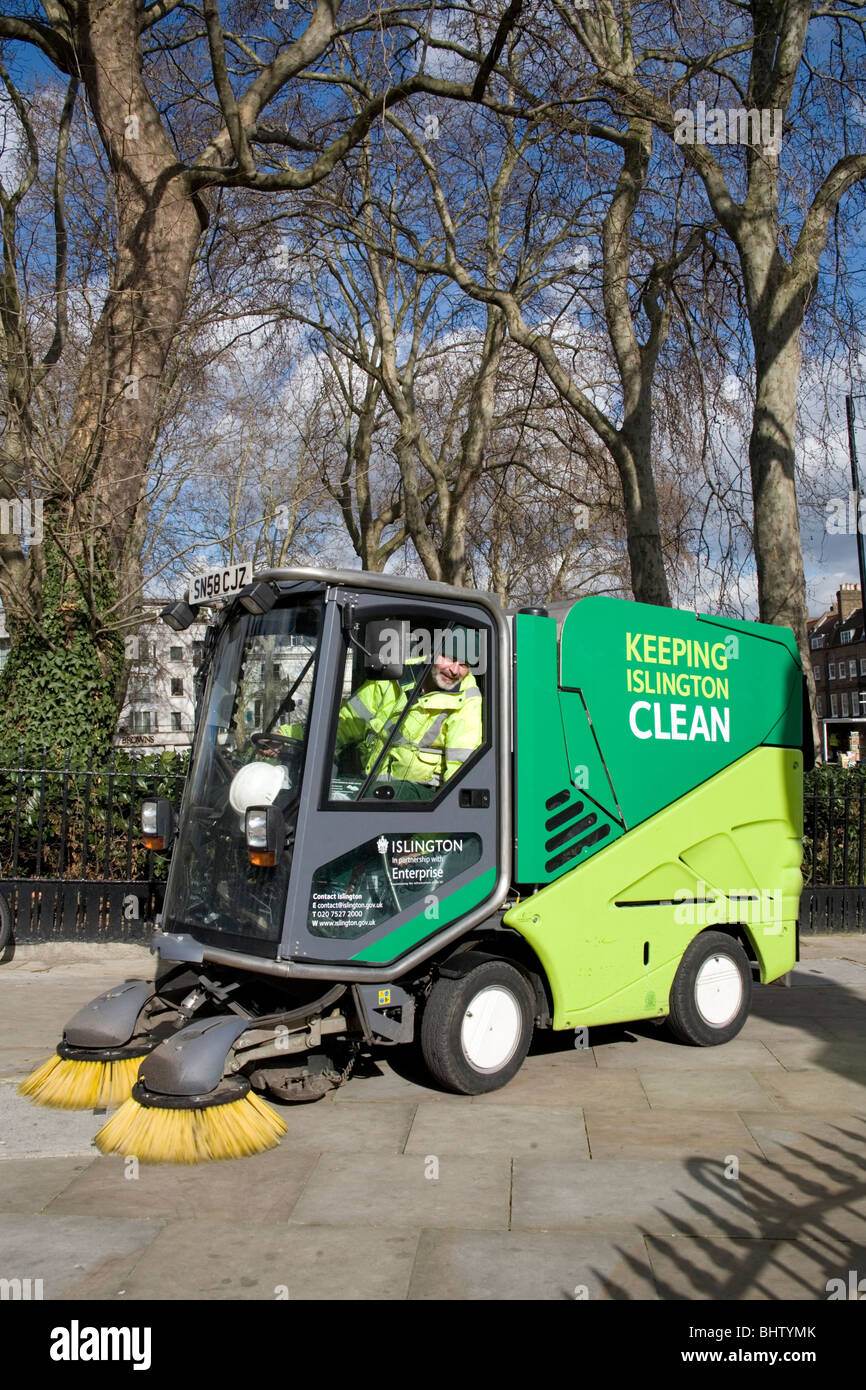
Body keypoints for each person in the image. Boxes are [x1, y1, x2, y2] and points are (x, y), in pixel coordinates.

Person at [274, 626, 483, 793]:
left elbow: (461, 782)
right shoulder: (395, 675)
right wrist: (286, 736)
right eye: (449, 658)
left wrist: (423, 842)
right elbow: (344, 723)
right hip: (371, 792)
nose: (454, 670)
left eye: (464, 664)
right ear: (432, 652)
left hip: (421, 804)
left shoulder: (467, 701)